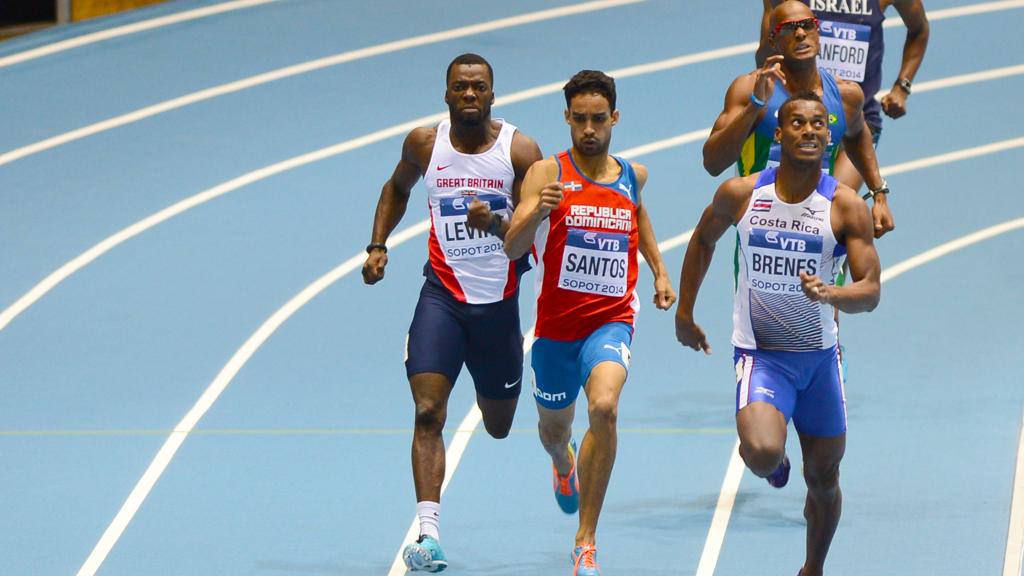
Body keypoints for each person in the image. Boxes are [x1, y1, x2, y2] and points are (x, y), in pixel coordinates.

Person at [676, 92, 881, 576]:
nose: (809, 130)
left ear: (828, 136)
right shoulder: (742, 194)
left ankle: (813, 567)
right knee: (764, 453)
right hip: (761, 354)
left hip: (819, 361)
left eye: (817, 124)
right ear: (781, 134)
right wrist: (684, 312)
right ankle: (775, 466)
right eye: (797, 123)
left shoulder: (846, 207)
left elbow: (870, 291)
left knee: (825, 478)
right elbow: (702, 240)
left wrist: (832, 295)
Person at [362, 53, 542, 573]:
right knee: (428, 412)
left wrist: (499, 223)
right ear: (446, 95)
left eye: (478, 87)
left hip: (498, 306)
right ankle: (429, 534)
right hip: (440, 297)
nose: (469, 95)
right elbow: (396, 188)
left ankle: (560, 458)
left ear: (492, 95)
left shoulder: (521, 151)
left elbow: (538, 219)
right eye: (460, 87)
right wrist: (378, 244)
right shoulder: (425, 143)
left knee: (499, 425)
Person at [505, 70, 676, 576]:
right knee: (554, 431)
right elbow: (512, 246)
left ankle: (585, 541)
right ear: (567, 119)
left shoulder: (631, 174)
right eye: (579, 119)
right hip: (556, 330)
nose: (588, 129)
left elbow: (637, 216)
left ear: (614, 118)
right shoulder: (545, 173)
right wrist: (537, 210)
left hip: (611, 321)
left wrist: (661, 271)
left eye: (598, 119)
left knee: (604, 406)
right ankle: (563, 465)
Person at [703, 0, 894, 239]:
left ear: (818, 31)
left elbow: (857, 136)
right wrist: (755, 106)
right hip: (761, 227)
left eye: (807, 25)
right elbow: (713, 163)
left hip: (816, 223)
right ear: (773, 40)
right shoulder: (750, 89)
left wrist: (879, 193)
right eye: (789, 28)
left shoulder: (847, 95)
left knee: (850, 235)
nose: (801, 33)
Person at [756, 0, 930, 192]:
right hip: (799, 119)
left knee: (831, 206)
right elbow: (764, 57)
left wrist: (902, 87)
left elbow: (919, 29)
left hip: (855, 114)